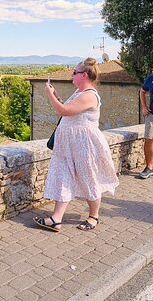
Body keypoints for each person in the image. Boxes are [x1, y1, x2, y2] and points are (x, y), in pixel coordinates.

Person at [34, 58, 120, 232]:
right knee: (63, 177)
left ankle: (94, 216)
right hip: (68, 144)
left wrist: (49, 95)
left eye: (74, 72)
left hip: (84, 144)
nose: (72, 75)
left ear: (85, 75)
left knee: (88, 178)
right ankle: (56, 219)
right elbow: (69, 110)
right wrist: (57, 96)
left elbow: (62, 111)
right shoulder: (79, 92)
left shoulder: (89, 94)